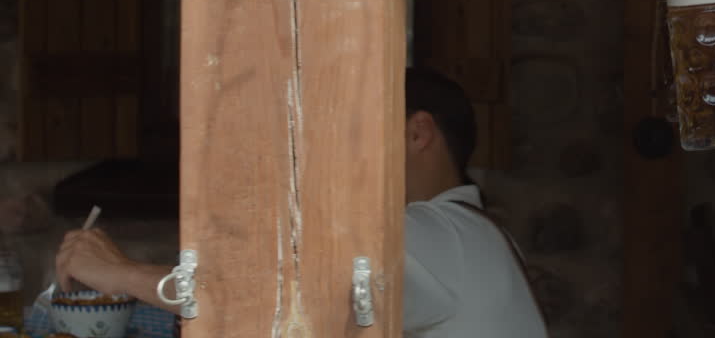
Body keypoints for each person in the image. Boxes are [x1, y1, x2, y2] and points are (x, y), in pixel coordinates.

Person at [54, 68, 547, 338]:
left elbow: (271, 296)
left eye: (352, 130)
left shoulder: (441, 233)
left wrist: (123, 275)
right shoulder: (472, 236)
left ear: (417, 132)